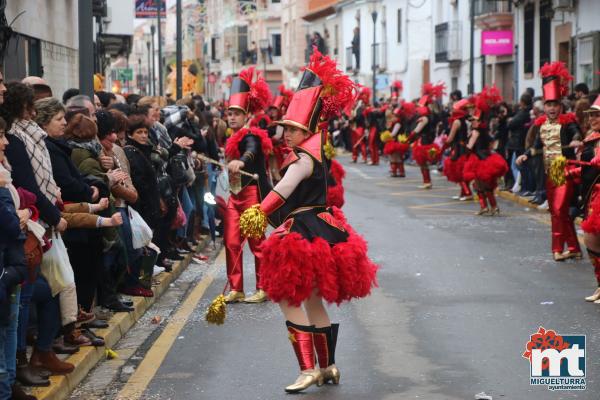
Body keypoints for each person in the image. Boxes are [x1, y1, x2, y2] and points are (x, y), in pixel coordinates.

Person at [238, 49, 377, 393]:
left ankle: (308, 369)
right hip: (322, 225)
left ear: (307, 130)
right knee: (313, 298)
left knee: (288, 296)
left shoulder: (303, 159)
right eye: (285, 128)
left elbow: (284, 190)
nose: (286, 134)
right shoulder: (311, 153)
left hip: (305, 231)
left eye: (293, 129)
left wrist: (259, 210)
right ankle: (328, 367)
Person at [517, 61, 583, 261]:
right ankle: (573, 248)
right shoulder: (541, 125)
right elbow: (536, 146)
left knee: (557, 210)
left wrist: (575, 140)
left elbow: (576, 133)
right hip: (550, 172)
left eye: (555, 104)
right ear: (544, 106)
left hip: (566, 170)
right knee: (561, 212)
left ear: (561, 106)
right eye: (549, 104)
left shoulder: (568, 121)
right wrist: (525, 155)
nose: (552, 108)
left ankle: (556, 249)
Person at [222, 67, 273, 304]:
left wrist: (240, 161)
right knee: (231, 242)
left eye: (236, 113)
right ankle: (236, 288)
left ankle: (263, 287)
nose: (231, 117)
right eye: (229, 113)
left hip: (252, 195)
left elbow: (251, 152)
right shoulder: (230, 136)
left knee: (256, 243)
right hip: (235, 195)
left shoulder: (250, 135)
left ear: (246, 116)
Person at [570, 95, 600, 302]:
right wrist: (566, 172)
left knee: (592, 239)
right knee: (592, 243)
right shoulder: (591, 137)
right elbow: (586, 169)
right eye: (591, 115)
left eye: (597, 115)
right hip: (591, 195)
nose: (592, 119)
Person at [409, 83, 445, 189]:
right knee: (424, 163)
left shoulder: (424, 118)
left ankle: (427, 181)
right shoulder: (433, 115)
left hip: (424, 142)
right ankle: (427, 181)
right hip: (430, 140)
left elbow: (416, 131)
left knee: (423, 163)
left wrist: (408, 139)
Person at [443, 98, 474, 200]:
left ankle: (467, 192)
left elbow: (450, 138)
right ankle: (463, 193)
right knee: (462, 170)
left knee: (458, 171)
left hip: (457, 148)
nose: (451, 110)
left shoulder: (456, 121)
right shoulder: (466, 120)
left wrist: (443, 145)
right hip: (465, 147)